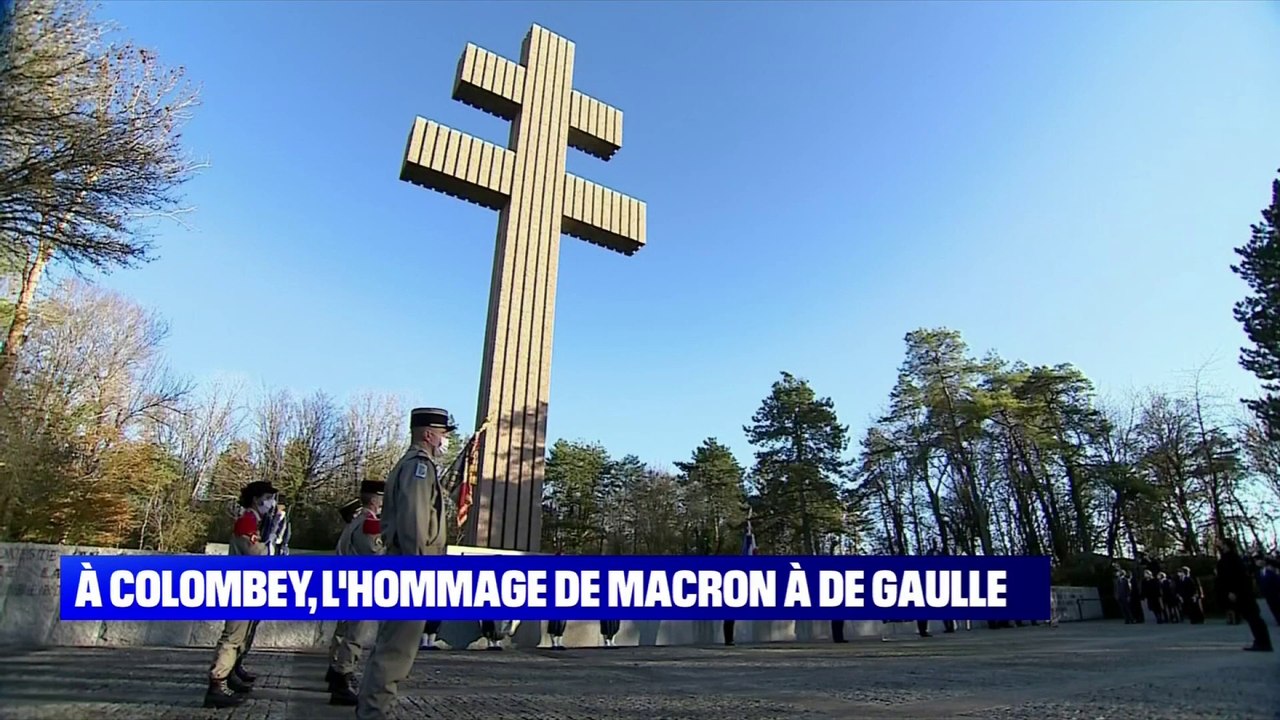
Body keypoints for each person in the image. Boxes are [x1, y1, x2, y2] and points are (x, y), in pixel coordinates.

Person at [356, 407, 456, 720]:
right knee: (396, 651)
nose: (445, 440)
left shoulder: (415, 465)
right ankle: (375, 713)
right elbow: (414, 520)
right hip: (412, 565)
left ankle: (372, 709)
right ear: (428, 434)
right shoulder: (418, 467)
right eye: (442, 434)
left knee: (392, 645)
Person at [202, 481, 275, 708]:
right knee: (232, 637)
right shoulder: (247, 521)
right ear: (256, 499)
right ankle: (217, 683)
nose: (271, 503)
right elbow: (256, 553)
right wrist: (270, 542)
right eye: (267, 498)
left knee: (241, 636)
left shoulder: (255, 521)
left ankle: (230, 674)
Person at [325, 480, 386, 706]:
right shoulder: (369, 523)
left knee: (343, 630)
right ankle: (343, 676)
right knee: (355, 635)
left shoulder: (356, 521)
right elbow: (375, 553)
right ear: (376, 500)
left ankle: (335, 670)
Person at [1215, 537, 1273, 652]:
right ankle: (1261, 641)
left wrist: (1232, 591)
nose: (1218, 545)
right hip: (1244, 592)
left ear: (1226, 545)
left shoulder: (1230, 559)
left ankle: (1263, 643)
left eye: (1221, 544)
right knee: (1252, 617)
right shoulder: (1232, 558)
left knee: (1253, 617)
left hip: (1241, 593)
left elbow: (1233, 577)